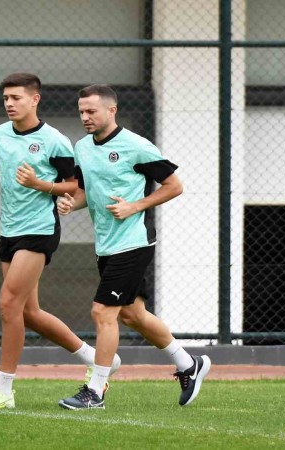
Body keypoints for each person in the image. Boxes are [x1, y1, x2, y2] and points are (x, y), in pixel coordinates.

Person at [0, 73, 120, 410]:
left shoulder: (54, 141)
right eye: (6, 98)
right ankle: (94, 357)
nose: (9, 104)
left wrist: (41, 185)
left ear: (35, 100)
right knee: (29, 313)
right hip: (8, 230)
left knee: (8, 304)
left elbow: (75, 185)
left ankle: (3, 391)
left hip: (39, 230)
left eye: (16, 98)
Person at [56, 84, 211, 410]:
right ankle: (188, 364)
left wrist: (135, 206)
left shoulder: (136, 146)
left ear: (111, 110)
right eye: (81, 111)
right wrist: (72, 203)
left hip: (134, 241)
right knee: (133, 315)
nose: (85, 117)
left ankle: (95, 390)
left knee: (102, 312)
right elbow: (85, 191)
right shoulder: (82, 148)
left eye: (91, 111)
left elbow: (174, 186)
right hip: (106, 244)